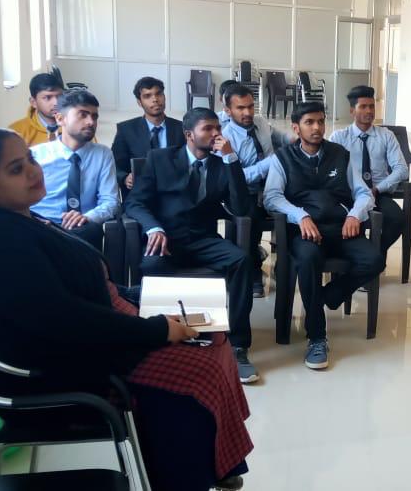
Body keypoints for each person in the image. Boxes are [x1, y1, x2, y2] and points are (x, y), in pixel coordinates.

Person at [0, 128, 252, 491]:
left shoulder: (20, 219)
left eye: (30, 159)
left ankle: (218, 463)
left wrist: (149, 296)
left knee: (215, 337)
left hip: (94, 337)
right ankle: (187, 477)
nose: (33, 171)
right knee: (199, 370)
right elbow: (64, 320)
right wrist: (157, 329)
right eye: (16, 169)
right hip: (63, 370)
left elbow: (87, 286)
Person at [124, 108, 259, 384]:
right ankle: (159, 339)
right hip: (167, 238)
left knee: (242, 260)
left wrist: (231, 159)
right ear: (189, 134)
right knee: (151, 264)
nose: (216, 134)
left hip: (203, 239)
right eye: (208, 129)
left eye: (217, 128)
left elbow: (241, 208)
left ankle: (238, 345)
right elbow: (135, 202)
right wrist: (154, 228)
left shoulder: (223, 164)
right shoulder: (160, 159)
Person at [263, 102, 383, 369]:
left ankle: (330, 296)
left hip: (341, 227)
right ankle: (317, 337)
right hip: (306, 232)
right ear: (296, 128)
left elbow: (363, 193)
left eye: (320, 121)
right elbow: (272, 197)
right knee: (308, 260)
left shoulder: (340, 154)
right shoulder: (283, 158)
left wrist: (355, 215)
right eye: (309, 122)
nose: (317, 128)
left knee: (374, 260)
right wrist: (300, 215)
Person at [216, 83, 294, 297]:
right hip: (244, 192)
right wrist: (272, 162)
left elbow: (278, 137)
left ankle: (287, 263)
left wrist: (293, 139)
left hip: (272, 186)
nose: (247, 113)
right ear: (228, 111)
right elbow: (237, 177)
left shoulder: (260, 122)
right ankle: (253, 271)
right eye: (240, 108)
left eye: (250, 106)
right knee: (251, 216)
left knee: (301, 205)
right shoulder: (225, 138)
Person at [29, 90, 118, 250]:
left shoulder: (103, 154)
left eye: (94, 116)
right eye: (83, 115)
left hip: (81, 228)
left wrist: (87, 217)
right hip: (40, 225)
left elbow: (110, 201)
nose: (91, 122)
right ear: (60, 118)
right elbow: (21, 198)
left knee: (89, 232)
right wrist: (35, 220)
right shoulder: (36, 155)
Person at [330, 85, 409, 254]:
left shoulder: (386, 135)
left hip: (378, 194)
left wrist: (378, 188)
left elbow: (401, 169)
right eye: (363, 107)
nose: (369, 111)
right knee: (338, 222)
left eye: (372, 106)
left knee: (397, 219)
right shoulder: (339, 137)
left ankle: (375, 254)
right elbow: (330, 169)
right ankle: (358, 257)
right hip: (349, 195)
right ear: (352, 111)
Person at [111, 77, 186, 201]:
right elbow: (113, 164)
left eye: (159, 94)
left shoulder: (181, 129)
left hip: (173, 195)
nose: (155, 99)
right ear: (139, 102)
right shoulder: (126, 130)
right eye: (147, 96)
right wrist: (125, 178)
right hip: (139, 196)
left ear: (164, 97)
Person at [8, 73, 64, 147]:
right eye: (48, 97)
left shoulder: (75, 125)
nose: (56, 103)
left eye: (60, 96)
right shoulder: (17, 132)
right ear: (33, 102)